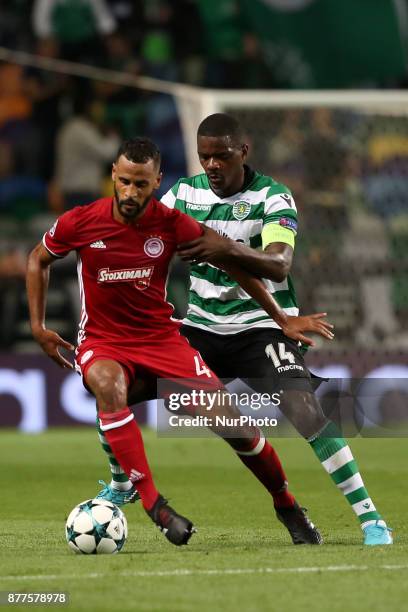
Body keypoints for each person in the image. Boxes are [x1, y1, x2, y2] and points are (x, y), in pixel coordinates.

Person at [26, 137, 333, 546]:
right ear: (112, 177)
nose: (130, 192)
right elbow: (38, 259)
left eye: (140, 184)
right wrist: (38, 326)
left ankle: (287, 504)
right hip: (104, 341)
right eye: (123, 182)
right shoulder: (81, 221)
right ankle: (154, 504)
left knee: (236, 429)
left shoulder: (171, 223)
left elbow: (230, 261)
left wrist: (279, 316)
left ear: (157, 182)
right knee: (107, 386)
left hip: (163, 341)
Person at [158, 113, 392, 546]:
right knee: (117, 380)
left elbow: (279, 262)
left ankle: (371, 519)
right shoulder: (182, 194)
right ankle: (118, 486)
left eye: (221, 156)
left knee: (304, 411)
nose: (211, 164)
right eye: (204, 156)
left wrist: (223, 245)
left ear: (242, 152)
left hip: (260, 328)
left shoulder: (274, 196)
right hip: (200, 328)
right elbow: (146, 245)